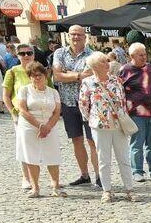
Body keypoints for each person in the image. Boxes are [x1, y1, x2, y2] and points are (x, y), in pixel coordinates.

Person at [79, 52, 137, 203]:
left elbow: (123, 100)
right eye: (104, 62)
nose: (108, 64)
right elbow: (84, 104)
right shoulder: (87, 82)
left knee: (123, 158)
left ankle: (129, 189)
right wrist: (93, 118)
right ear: (95, 66)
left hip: (118, 125)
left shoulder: (116, 80)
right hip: (99, 126)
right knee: (103, 159)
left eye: (107, 61)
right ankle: (107, 191)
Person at [52, 25, 99, 187]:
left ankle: (99, 176)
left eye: (79, 34)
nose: (76, 37)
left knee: (93, 141)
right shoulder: (59, 53)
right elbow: (57, 76)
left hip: (89, 104)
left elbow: (90, 76)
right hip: (68, 103)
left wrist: (68, 73)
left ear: (85, 37)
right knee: (76, 140)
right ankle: (84, 175)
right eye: (73, 34)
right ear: (68, 36)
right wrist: (79, 75)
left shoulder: (92, 55)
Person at [15, 62, 64, 197]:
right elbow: (22, 110)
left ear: (45, 75)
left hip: (50, 125)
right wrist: (39, 125)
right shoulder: (24, 90)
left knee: (53, 155)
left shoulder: (53, 92)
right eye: (33, 75)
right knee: (31, 156)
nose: (37, 78)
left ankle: (56, 187)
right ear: (29, 77)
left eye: (39, 75)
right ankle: (35, 188)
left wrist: (47, 127)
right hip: (29, 126)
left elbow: (57, 112)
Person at [120, 43, 151, 184]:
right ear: (132, 56)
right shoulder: (125, 70)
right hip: (136, 113)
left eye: (145, 54)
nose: (144, 57)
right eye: (140, 55)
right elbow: (120, 91)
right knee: (137, 144)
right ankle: (137, 171)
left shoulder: (149, 67)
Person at [3, 44, 41, 190]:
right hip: (22, 116)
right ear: (17, 56)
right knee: (24, 146)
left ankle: (52, 177)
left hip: (41, 115)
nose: (26, 56)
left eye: (29, 53)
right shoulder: (12, 72)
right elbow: (6, 95)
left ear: (33, 54)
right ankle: (26, 177)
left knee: (43, 146)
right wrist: (13, 113)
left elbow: (49, 89)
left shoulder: (40, 70)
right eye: (22, 53)